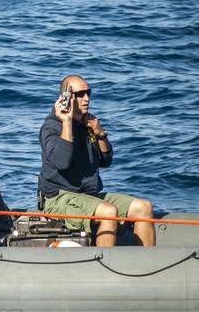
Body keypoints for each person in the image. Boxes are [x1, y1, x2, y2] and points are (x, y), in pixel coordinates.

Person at [39, 74, 154, 247]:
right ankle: (104, 267)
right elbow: (61, 162)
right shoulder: (51, 127)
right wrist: (67, 122)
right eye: (80, 94)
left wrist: (100, 134)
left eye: (88, 93)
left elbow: (106, 161)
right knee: (108, 212)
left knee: (143, 207)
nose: (86, 98)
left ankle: (146, 265)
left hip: (87, 195)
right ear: (66, 97)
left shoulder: (88, 124)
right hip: (59, 197)